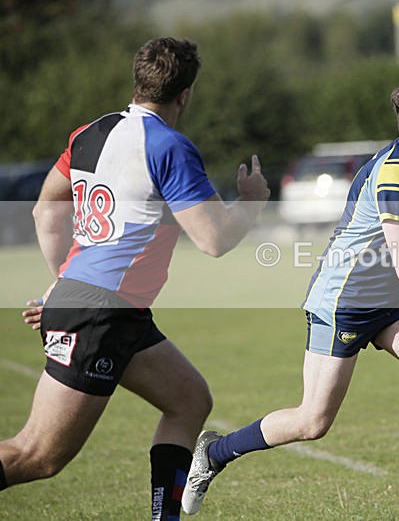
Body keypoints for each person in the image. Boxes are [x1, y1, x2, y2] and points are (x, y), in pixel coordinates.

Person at [182, 71, 399, 521]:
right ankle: (214, 454)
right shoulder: (393, 174)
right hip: (343, 298)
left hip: (390, 297)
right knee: (312, 422)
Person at [0, 37, 269, 520]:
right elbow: (212, 240)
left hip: (112, 309)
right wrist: (250, 200)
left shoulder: (91, 132)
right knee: (36, 455)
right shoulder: (169, 145)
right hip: (100, 311)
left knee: (189, 399)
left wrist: (65, 282)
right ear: (185, 94)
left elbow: (45, 211)